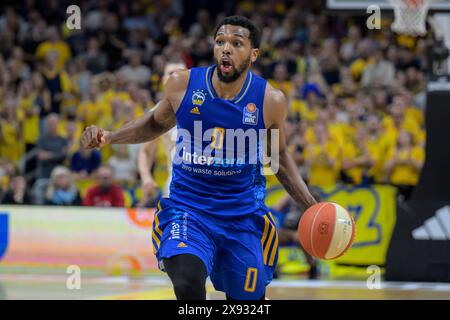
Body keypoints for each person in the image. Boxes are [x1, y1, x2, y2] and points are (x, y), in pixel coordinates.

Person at [81, 16, 317, 300]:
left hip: (242, 217)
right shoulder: (182, 84)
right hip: (188, 209)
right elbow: (155, 124)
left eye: (236, 43)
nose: (225, 49)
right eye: (220, 42)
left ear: (254, 54)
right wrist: (110, 136)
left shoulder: (271, 101)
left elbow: (277, 157)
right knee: (187, 284)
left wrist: (311, 208)